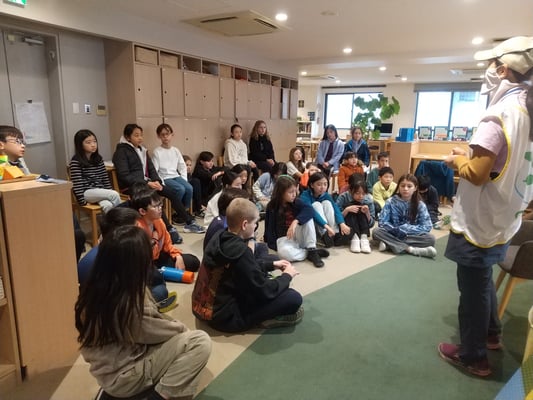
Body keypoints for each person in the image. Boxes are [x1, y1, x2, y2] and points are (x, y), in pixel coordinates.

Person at [438, 37, 533, 377]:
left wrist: (457, 160)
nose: (487, 71)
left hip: (481, 218)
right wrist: (470, 156)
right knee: (483, 278)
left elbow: (477, 174)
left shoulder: (499, 113)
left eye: (490, 65)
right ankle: (491, 334)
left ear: (503, 70)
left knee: (473, 287)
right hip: (506, 216)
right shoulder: (527, 110)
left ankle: (473, 355)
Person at [75, 225, 211, 400]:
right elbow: (160, 332)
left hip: (109, 370)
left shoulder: (93, 289)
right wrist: (182, 330)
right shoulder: (128, 301)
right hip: (125, 376)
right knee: (199, 341)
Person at [192, 198, 303, 332]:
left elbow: (242, 268)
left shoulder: (220, 236)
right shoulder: (241, 251)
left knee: (268, 262)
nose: (255, 226)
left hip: (202, 308)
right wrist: (287, 276)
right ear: (244, 225)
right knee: (293, 297)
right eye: (255, 223)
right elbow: (265, 291)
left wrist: (271, 265)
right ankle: (265, 320)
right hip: (224, 318)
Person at [77, 207, 178, 313]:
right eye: (136, 229)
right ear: (123, 234)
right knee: (159, 291)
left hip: (104, 301)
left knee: (155, 279)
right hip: (111, 309)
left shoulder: (105, 248)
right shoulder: (116, 257)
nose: (140, 232)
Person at [112, 123, 205, 234]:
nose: (140, 138)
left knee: (171, 193)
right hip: (132, 186)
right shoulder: (121, 152)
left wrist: (157, 181)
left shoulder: (142, 150)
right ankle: (168, 228)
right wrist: (147, 183)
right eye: (136, 135)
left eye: (141, 135)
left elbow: (152, 169)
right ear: (128, 137)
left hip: (146, 183)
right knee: (154, 198)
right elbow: (124, 176)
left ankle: (189, 222)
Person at [264, 175, 329, 268]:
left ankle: (311, 248)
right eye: (290, 192)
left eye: (295, 191)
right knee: (284, 254)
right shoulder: (272, 206)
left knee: (308, 217)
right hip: (284, 238)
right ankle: (309, 253)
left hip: (298, 235)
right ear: (281, 193)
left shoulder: (296, 202)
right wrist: (267, 239)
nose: (294, 194)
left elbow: (310, 210)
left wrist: (295, 222)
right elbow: (268, 225)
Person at [131, 186, 200, 272]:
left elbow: (167, 244)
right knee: (155, 276)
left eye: (160, 204)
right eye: (155, 206)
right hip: (144, 264)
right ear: (142, 211)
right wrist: (155, 239)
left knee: (193, 262)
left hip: (159, 256)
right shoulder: (137, 228)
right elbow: (147, 256)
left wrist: (177, 256)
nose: (160, 208)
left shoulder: (158, 221)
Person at [372, 173, 436, 258]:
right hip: (393, 232)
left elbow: (427, 226)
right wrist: (396, 230)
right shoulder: (391, 201)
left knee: (431, 239)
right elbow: (382, 222)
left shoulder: (420, 205)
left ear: (415, 188)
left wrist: (406, 229)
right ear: (398, 187)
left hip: (411, 235)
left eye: (409, 186)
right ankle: (411, 249)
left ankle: (389, 244)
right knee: (376, 231)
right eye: (402, 186)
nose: (405, 189)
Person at [69, 129, 121, 213]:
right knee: (114, 194)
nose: (93, 145)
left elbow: (105, 179)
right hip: (87, 192)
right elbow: (77, 183)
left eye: (94, 141)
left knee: (108, 205)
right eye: (88, 142)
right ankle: (122, 218)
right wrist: (82, 201)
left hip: (100, 191)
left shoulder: (98, 159)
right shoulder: (76, 161)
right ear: (80, 145)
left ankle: (110, 221)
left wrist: (108, 191)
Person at [300, 171, 351, 248]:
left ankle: (334, 232)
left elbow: (335, 209)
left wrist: (342, 223)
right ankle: (324, 235)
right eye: (319, 184)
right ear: (311, 185)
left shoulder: (326, 195)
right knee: (316, 205)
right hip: (314, 225)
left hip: (328, 226)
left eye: (325, 184)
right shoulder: (305, 195)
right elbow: (312, 212)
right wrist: (326, 226)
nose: (322, 187)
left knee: (327, 203)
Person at [151, 123, 193, 215]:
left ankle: (184, 211)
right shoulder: (157, 152)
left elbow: (182, 166)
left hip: (176, 176)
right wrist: (161, 183)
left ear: (172, 134)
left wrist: (184, 179)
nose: (165, 137)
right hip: (165, 178)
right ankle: (175, 212)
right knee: (180, 189)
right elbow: (155, 170)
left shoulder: (175, 150)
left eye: (167, 134)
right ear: (159, 136)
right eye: (162, 135)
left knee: (189, 188)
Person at [336, 174, 376, 253]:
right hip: (348, 228)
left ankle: (364, 238)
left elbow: (371, 223)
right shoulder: (343, 197)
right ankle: (355, 238)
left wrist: (367, 213)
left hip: (362, 227)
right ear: (350, 190)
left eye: (363, 193)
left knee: (362, 208)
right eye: (357, 193)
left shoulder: (368, 200)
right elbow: (336, 216)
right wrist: (346, 210)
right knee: (351, 207)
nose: (361, 196)